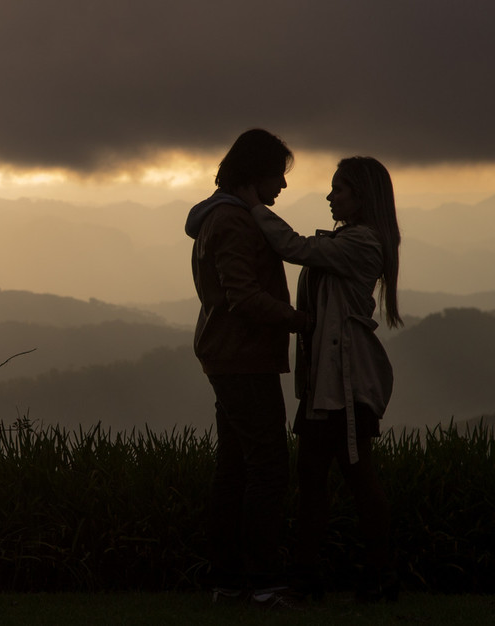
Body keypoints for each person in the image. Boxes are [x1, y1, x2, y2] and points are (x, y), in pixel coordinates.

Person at [237, 156, 402, 602]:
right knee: (320, 478)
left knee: (351, 478)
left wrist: (254, 207)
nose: (330, 197)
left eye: (339, 190)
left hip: (344, 387)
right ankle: (333, 576)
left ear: (361, 197)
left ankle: (368, 576)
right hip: (329, 386)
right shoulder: (356, 240)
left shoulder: (362, 243)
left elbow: (294, 247)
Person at [184, 129, 310, 609]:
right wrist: (302, 321)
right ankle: (261, 580)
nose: (281, 186)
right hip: (243, 357)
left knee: (234, 468)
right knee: (268, 468)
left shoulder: (216, 217)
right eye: (277, 175)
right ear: (255, 173)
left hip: (226, 355)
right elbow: (243, 295)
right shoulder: (234, 223)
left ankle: (228, 579)